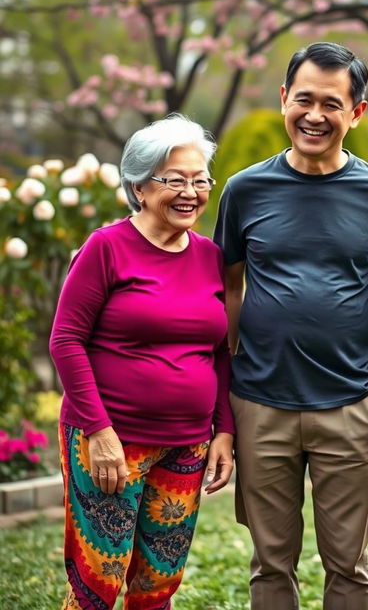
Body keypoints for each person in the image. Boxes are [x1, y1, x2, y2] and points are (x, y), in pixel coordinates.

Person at [214, 41, 368, 610]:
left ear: (357, 112)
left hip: (351, 405)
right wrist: (231, 382)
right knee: (269, 566)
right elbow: (228, 286)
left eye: (332, 103)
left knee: (349, 567)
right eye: (303, 99)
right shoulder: (244, 189)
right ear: (283, 100)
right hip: (259, 404)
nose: (315, 115)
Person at [49, 114, 235, 610]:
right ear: (139, 185)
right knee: (98, 585)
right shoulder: (105, 248)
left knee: (158, 585)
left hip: (187, 443)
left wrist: (223, 430)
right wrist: (98, 431)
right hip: (110, 440)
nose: (191, 192)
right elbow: (66, 339)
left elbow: (218, 352)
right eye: (175, 180)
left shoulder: (210, 256)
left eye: (200, 180)